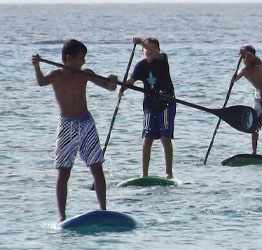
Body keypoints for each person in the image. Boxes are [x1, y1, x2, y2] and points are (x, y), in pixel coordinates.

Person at [31, 39, 118, 222]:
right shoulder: (56, 75)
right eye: (81, 58)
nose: (84, 62)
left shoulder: (84, 74)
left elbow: (109, 87)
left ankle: (103, 210)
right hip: (67, 126)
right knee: (64, 172)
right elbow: (40, 82)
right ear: (68, 58)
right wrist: (37, 65)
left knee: (97, 167)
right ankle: (62, 216)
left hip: (86, 123)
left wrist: (113, 80)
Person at [125, 37, 176, 179]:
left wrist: (141, 41)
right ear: (142, 51)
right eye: (145, 49)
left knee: (165, 138)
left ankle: (169, 173)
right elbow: (131, 80)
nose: (148, 51)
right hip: (150, 106)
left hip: (166, 104)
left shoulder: (162, 60)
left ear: (158, 50)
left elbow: (154, 52)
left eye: (151, 49)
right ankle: (145, 174)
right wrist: (124, 86)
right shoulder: (140, 66)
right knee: (147, 139)